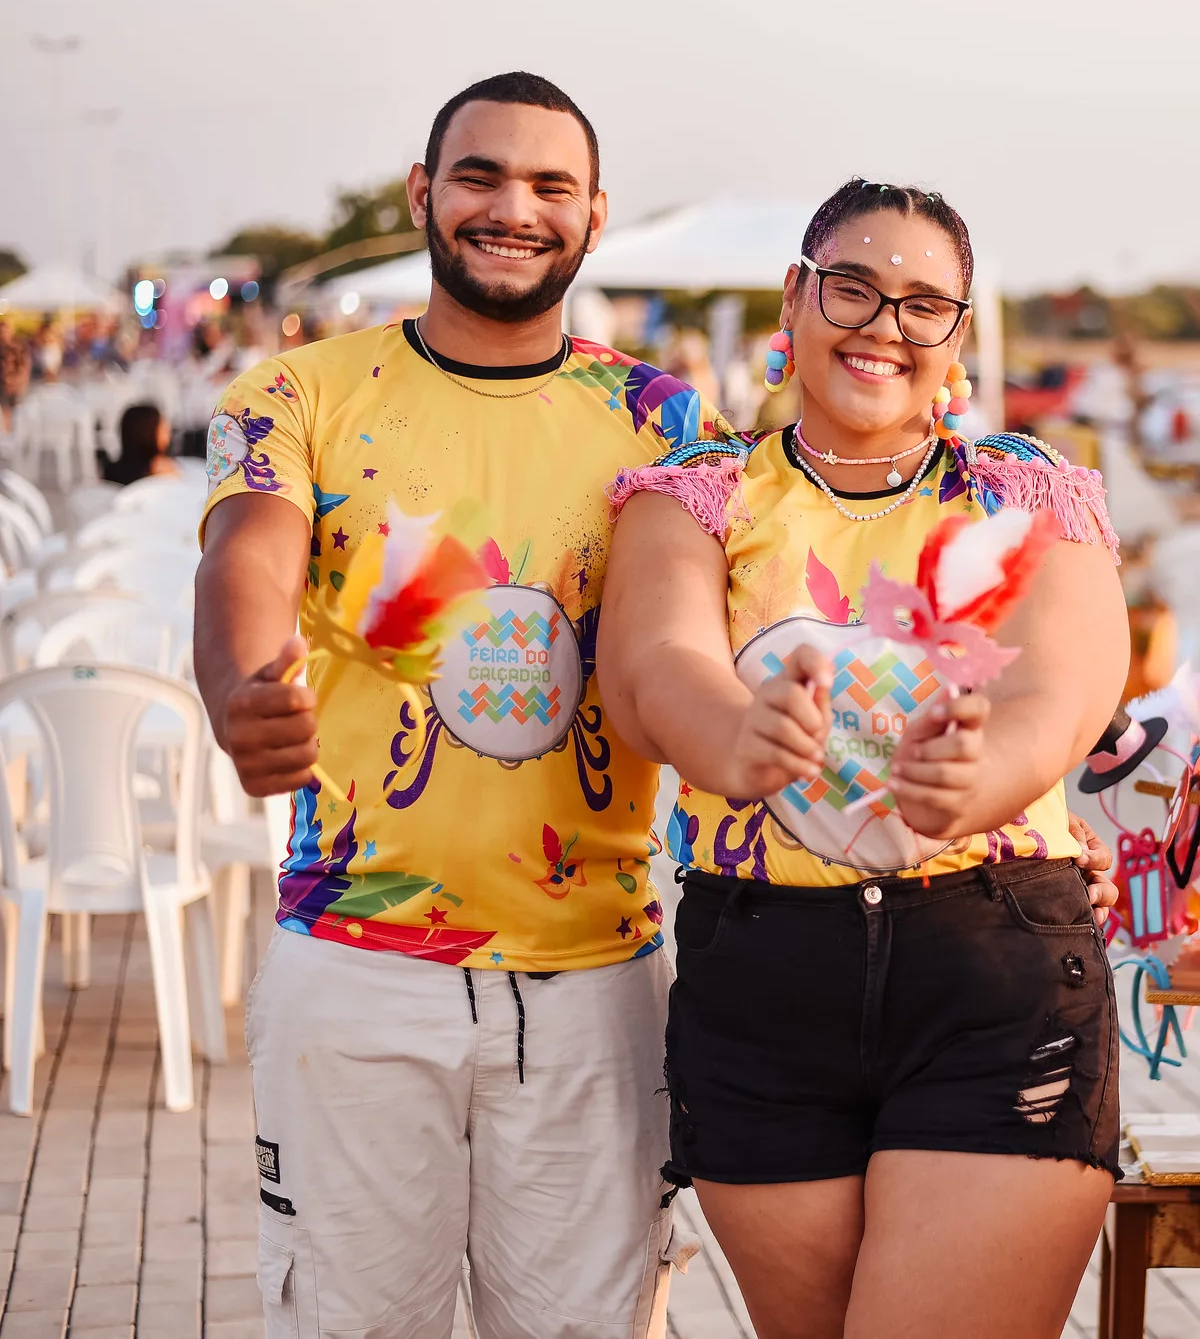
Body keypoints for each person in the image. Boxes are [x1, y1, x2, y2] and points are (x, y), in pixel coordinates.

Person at [195, 71, 711, 1339]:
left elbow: (700, 649)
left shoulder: (665, 420)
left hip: (599, 975)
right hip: (357, 971)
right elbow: (247, 557)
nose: (511, 208)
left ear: (594, 217)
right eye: (479, 175)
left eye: (549, 185)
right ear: (425, 194)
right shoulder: (296, 395)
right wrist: (238, 683)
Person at [601, 180, 1129, 1339]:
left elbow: (1065, 685)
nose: (885, 324)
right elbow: (653, 662)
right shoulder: (692, 496)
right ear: (796, 296)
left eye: (924, 303)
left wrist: (978, 782)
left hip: (991, 974)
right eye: (854, 286)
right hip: (762, 980)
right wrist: (730, 733)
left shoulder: (1022, 490)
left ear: (957, 335)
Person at [100, 402, 179, 485]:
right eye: (163, 429)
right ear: (147, 433)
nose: (169, 434)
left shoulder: (111, 470)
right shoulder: (161, 470)